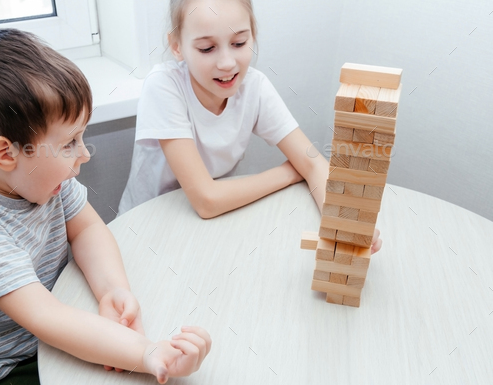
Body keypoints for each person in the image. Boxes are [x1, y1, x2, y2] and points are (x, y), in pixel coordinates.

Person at [0, 28, 211, 385]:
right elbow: (47, 317)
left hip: (34, 339)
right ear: (5, 154)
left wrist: (111, 290)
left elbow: (86, 229)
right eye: (70, 143)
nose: (84, 154)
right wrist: (149, 354)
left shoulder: (35, 174)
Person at [118, 0, 382, 252]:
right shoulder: (163, 85)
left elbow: (313, 163)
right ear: (177, 47)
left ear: (252, 36)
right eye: (207, 49)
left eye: (239, 43)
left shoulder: (254, 87)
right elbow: (206, 200)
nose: (227, 63)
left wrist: (345, 222)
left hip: (210, 227)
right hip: (146, 230)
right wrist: (289, 172)